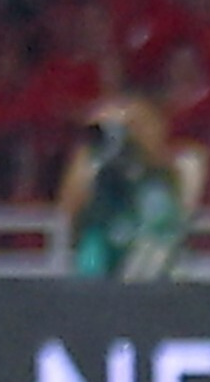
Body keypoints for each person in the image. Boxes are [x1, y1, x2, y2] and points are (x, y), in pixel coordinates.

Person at [53, 93, 200, 278]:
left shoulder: (179, 165)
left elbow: (188, 198)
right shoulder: (99, 169)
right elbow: (68, 208)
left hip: (150, 264)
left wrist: (141, 146)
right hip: (102, 255)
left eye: (136, 126)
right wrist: (94, 152)